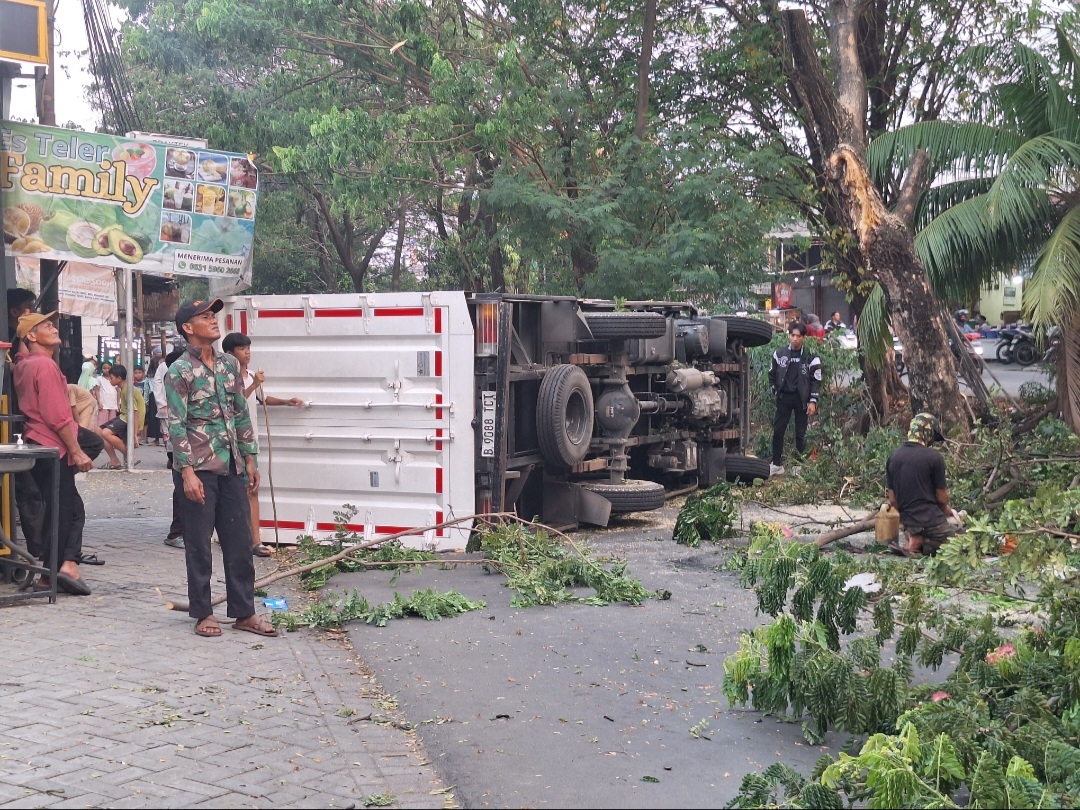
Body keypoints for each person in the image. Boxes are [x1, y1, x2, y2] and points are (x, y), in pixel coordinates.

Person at [166, 298, 276, 638]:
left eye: (214, 315)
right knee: (199, 544)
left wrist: (250, 458)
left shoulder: (229, 365)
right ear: (188, 327)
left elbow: (240, 412)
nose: (214, 320)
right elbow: (176, 424)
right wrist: (186, 472)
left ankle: (244, 612)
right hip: (198, 468)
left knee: (239, 541)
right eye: (204, 316)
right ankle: (203, 613)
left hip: (231, 467)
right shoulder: (179, 372)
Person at [12, 311, 94, 595]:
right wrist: (77, 451)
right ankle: (56, 571)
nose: (54, 328)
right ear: (32, 336)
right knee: (66, 510)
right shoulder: (44, 366)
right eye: (46, 326)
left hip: (38, 441)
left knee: (62, 508)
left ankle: (62, 566)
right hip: (52, 442)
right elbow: (57, 416)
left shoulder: (24, 364)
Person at [221, 331, 305, 558]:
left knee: (251, 490)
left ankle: (255, 542)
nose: (247, 352)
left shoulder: (249, 376)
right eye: (242, 348)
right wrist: (254, 384)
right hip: (228, 443)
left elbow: (261, 399)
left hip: (249, 442)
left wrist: (287, 401)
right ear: (229, 354)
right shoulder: (224, 377)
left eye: (248, 348)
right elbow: (234, 403)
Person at [886, 412, 956, 557]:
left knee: (917, 529)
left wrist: (909, 519)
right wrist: (946, 510)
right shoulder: (934, 458)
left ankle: (914, 537)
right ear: (928, 433)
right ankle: (923, 543)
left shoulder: (893, 458)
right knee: (964, 543)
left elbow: (893, 501)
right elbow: (942, 498)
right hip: (931, 521)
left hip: (909, 523)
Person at [768, 321, 821, 477]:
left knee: (801, 433)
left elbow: (816, 380)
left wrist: (813, 401)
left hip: (801, 400)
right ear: (788, 335)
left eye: (798, 336)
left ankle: (798, 464)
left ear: (804, 337)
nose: (795, 339)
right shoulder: (779, 354)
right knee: (778, 431)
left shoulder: (811, 357)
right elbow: (772, 374)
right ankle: (776, 464)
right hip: (784, 398)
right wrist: (774, 389)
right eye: (792, 335)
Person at [99, 364, 145, 470]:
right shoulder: (124, 389)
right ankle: (114, 460)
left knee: (105, 433)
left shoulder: (127, 390)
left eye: (111, 378)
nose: (110, 380)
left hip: (128, 418)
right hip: (125, 416)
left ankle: (130, 455)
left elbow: (135, 411)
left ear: (119, 378)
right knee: (98, 430)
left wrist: (134, 433)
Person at [162, 346, 185, 548]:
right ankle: (176, 533)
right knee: (181, 490)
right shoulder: (174, 378)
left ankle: (178, 531)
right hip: (178, 444)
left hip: (176, 443)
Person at [94, 360, 118, 426]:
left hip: (113, 404)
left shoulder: (114, 379)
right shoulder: (99, 379)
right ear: (101, 369)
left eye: (108, 368)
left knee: (112, 423)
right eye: (104, 368)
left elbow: (118, 391)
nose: (106, 370)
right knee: (102, 422)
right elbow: (97, 390)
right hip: (103, 404)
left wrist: (118, 403)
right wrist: (99, 402)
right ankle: (100, 436)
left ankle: (108, 435)